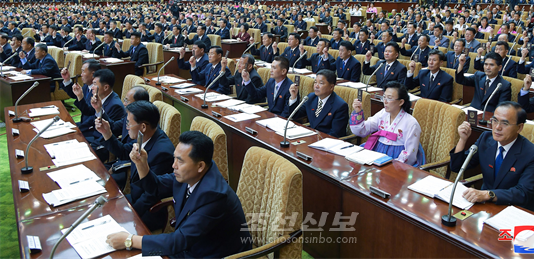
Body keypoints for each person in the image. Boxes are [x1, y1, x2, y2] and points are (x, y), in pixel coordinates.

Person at [106, 131, 252, 258]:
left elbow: (179, 240)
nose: (173, 165)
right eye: (174, 158)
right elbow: (155, 187)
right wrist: (141, 163)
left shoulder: (214, 195)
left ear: (200, 165)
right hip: (189, 246)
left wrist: (130, 240)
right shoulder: (191, 174)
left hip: (210, 254)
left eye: (179, 161)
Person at [449, 102, 534, 212]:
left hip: (515, 210)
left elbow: (523, 193)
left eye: (505, 123)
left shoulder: (533, 155)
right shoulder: (485, 139)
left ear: (519, 127)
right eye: (494, 121)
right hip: (485, 207)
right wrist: (462, 139)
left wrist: (488, 194)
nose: (497, 127)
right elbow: (457, 167)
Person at [95, 100, 175, 230]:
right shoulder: (145, 137)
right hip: (135, 199)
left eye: (128, 123)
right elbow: (123, 151)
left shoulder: (162, 152)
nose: (126, 127)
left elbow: (151, 194)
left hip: (148, 212)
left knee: (108, 225)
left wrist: (128, 211)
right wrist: (106, 132)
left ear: (143, 127)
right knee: (101, 207)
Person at [350, 81, 425, 165]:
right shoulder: (382, 114)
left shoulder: (411, 123)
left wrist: (392, 166)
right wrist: (358, 112)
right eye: (384, 97)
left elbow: (409, 154)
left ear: (401, 102)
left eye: (389, 98)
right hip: (378, 154)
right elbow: (362, 130)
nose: (385, 101)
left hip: (396, 159)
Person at [283, 69, 349, 137]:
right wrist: (293, 97)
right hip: (311, 137)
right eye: (315, 82)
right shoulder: (310, 97)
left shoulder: (340, 106)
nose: (316, 86)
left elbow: (335, 134)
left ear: (331, 87)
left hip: (327, 142)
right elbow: (296, 115)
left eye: (321, 83)